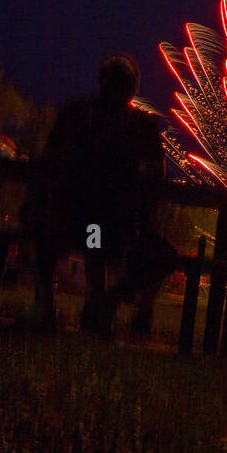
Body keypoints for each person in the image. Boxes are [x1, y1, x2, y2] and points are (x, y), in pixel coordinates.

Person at [29, 54, 169, 335]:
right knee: (154, 255)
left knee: (46, 231)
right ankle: (104, 307)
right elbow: (157, 172)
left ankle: (58, 308)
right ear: (134, 90)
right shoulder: (141, 126)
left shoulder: (78, 113)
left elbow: (50, 157)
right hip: (109, 221)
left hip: (78, 215)